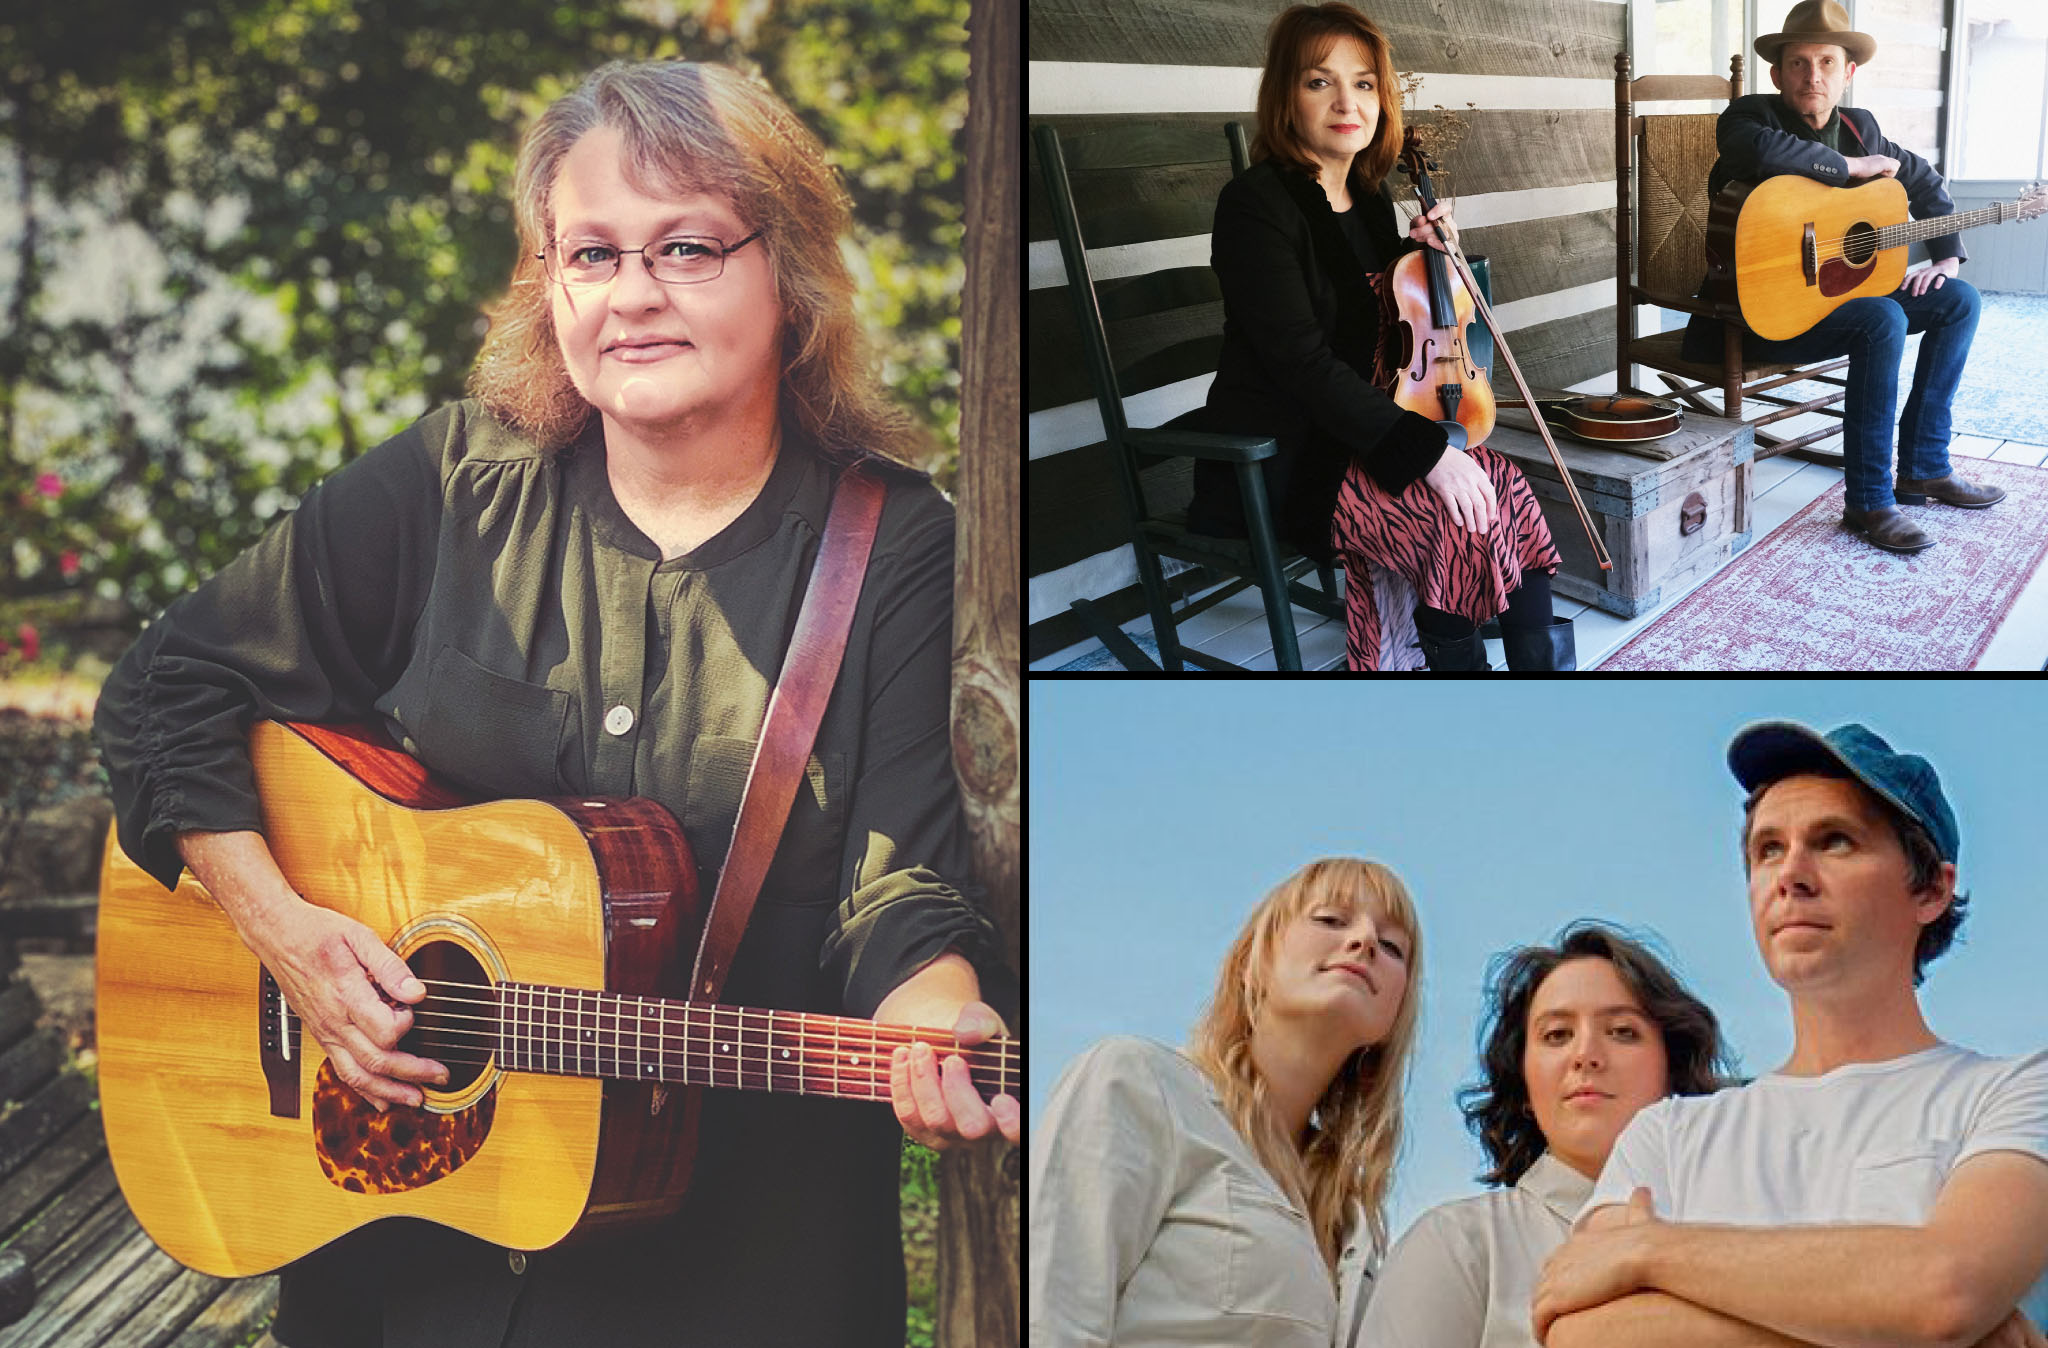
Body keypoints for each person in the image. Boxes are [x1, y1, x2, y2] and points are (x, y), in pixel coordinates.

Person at [92, 59, 1016, 1348]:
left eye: (686, 247)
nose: (631, 295)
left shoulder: (896, 545)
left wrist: (930, 1007)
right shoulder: (449, 483)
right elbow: (167, 686)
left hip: (742, 1259)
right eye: (589, 254)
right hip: (401, 1240)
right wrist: (289, 935)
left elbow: (898, 872)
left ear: (786, 269)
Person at [1532, 720, 2048, 1348]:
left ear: (1932, 890)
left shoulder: (2016, 1092)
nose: (1790, 875)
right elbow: (1583, 1336)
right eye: (1768, 849)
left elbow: (1944, 1291)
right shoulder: (1666, 1134)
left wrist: (1651, 1248)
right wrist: (1892, 1319)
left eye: (1835, 841)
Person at [1180, 1, 1571, 672]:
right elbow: (1302, 363)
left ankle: (1541, 677)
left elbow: (1388, 327)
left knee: (1501, 482)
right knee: (1452, 514)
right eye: (1318, 81)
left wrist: (1427, 256)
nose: (1345, 101)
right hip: (1294, 451)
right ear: (1286, 95)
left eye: (1363, 83)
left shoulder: (1365, 198)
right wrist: (1425, 453)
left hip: (1362, 428)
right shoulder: (1255, 205)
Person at [1028, 857, 1425, 1346]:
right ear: (1250, 962)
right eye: (1330, 919)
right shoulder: (1138, 1083)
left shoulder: (1352, 1222)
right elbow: (1050, 1315)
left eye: (1392, 947)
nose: (1364, 941)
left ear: (1394, 1012)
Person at [1681, 0, 2001, 556]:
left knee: (1959, 301)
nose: (1813, 76)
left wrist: (1946, 255)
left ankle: (1924, 467)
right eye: (1799, 63)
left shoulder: (1861, 126)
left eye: (1827, 62)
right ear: (1777, 73)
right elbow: (1762, 150)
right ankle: (1870, 501)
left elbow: (1922, 181)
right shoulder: (1746, 120)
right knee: (1883, 317)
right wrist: (1851, 169)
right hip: (1757, 311)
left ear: (1847, 72)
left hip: (1839, 299)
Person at [1359, 921, 1734, 1348]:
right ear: (1522, 1086)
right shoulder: (1457, 1244)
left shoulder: (1741, 1237)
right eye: (1557, 1035)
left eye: (1622, 1031)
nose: (1586, 1055)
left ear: (1672, 1070)